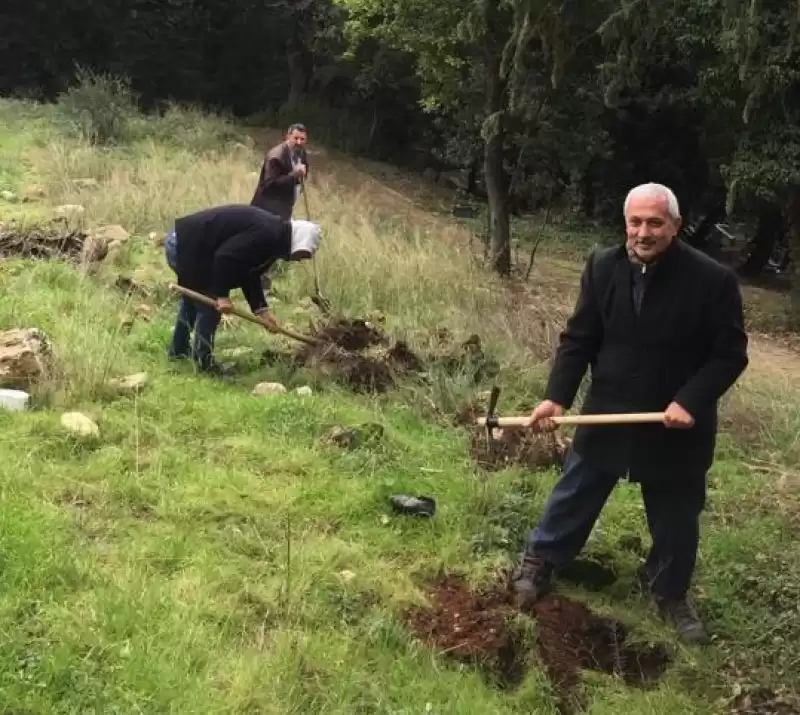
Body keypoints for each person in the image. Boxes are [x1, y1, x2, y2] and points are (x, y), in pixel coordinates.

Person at [511, 182, 749, 645]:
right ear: (625, 224)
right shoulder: (603, 266)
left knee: (677, 515)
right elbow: (581, 337)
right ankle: (542, 559)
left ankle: (670, 592)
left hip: (675, 421)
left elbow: (729, 355)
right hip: (610, 409)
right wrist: (557, 396)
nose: (644, 232)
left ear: (676, 227)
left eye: (655, 223)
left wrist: (690, 401)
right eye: (636, 222)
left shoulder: (712, 281)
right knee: (574, 492)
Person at [164, 204, 321, 375]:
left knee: (194, 301)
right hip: (185, 244)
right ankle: (203, 365)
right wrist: (222, 296)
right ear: (296, 241)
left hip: (187, 242)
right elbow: (225, 257)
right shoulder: (267, 234)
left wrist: (262, 311)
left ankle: (178, 352)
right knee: (209, 308)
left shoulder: (273, 238)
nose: (298, 260)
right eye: (301, 255)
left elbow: (248, 274)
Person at [250, 123, 310, 221]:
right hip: (266, 210)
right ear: (288, 137)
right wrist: (294, 175)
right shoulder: (276, 156)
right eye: (296, 138)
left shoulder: (301, 152)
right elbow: (270, 184)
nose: (299, 142)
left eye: (302, 139)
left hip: (284, 207)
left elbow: (303, 173)